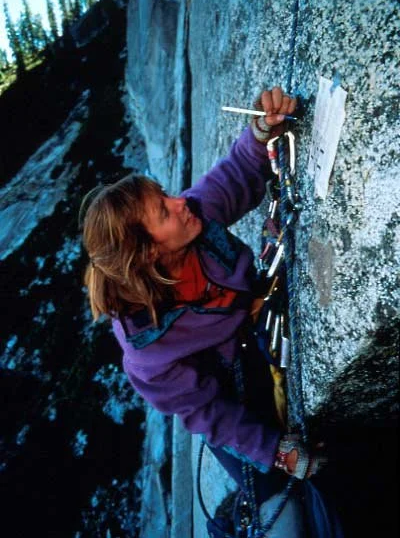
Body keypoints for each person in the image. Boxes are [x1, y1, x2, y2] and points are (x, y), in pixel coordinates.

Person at [81, 87, 326, 535]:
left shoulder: (193, 220)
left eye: (165, 195)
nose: (180, 202)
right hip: (228, 402)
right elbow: (208, 413)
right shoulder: (147, 352)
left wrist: (261, 131)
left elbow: (235, 176)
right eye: (163, 211)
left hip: (254, 348)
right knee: (281, 508)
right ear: (149, 253)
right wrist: (276, 451)